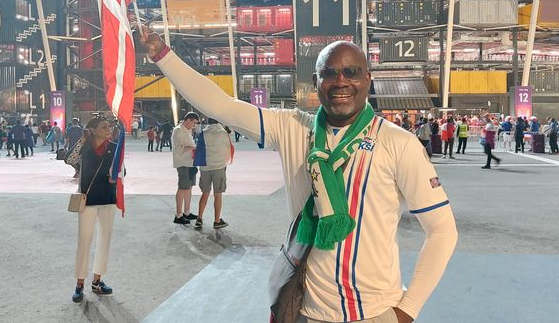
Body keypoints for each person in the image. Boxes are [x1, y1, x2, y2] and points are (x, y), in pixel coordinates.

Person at [142, 29, 457, 323]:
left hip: (374, 312)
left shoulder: (399, 143)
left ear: (368, 80)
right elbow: (221, 104)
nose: (341, 81)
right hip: (305, 310)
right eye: (330, 73)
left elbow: (442, 229)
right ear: (316, 81)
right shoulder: (293, 128)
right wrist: (163, 55)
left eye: (352, 72)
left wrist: (406, 311)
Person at [65, 117, 119, 303]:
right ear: (93, 130)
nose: (108, 129)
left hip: (109, 197)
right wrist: (82, 140)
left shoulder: (114, 147)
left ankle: (97, 281)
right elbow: (69, 159)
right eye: (104, 127)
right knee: (84, 240)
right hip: (87, 199)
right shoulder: (85, 148)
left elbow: (122, 170)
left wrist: (117, 175)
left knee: (105, 240)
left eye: (109, 126)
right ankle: (79, 284)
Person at [195, 118, 233, 230]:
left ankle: (199, 218)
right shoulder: (223, 133)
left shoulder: (203, 134)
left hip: (205, 167)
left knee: (205, 193)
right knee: (218, 194)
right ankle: (217, 221)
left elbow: (199, 150)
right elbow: (228, 148)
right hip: (219, 167)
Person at [171, 113, 200, 225]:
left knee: (188, 188)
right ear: (188, 120)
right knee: (182, 188)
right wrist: (195, 148)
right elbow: (180, 148)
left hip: (190, 163)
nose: (194, 125)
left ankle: (187, 212)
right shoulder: (178, 130)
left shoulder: (187, 130)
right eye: (194, 123)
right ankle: (178, 215)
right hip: (183, 163)